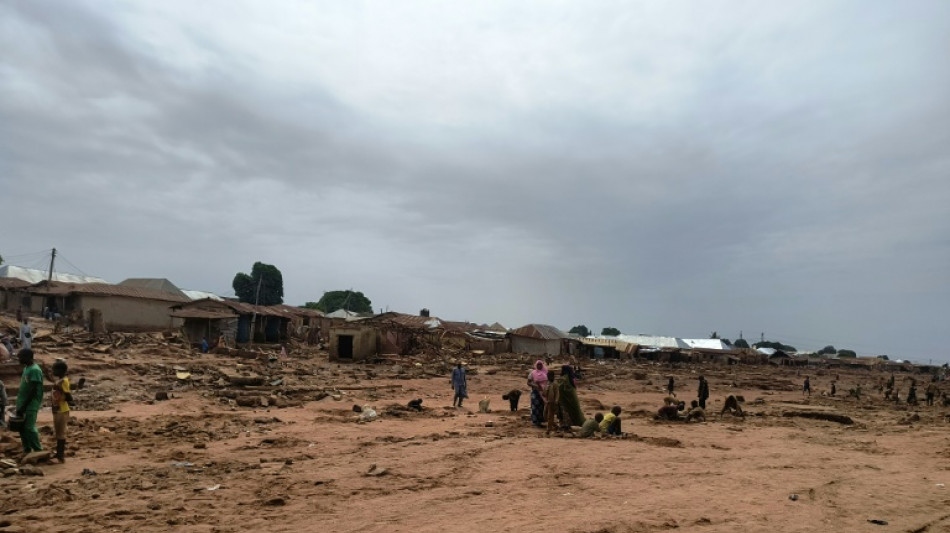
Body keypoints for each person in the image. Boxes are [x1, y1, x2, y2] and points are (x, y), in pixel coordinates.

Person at [15, 348, 44, 454]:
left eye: (20, 357)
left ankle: (38, 450)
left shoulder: (35, 370)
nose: (19, 359)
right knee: (22, 428)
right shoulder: (27, 368)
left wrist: (23, 406)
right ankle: (27, 449)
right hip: (23, 403)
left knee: (30, 427)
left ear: (27, 357)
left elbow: (33, 390)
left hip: (30, 404)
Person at [51, 358, 72, 463]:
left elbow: (68, 395)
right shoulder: (59, 380)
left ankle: (60, 456)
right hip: (57, 409)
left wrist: (65, 399)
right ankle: (59, 453)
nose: (53, 371)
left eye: (54, 369)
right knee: (58, 432)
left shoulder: (64, 381)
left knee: (61, 433)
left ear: (61, 370)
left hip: (62, 409)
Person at [527, 360, 549, 427]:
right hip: (535, 392)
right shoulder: (532, 373)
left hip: (544, 392)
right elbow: (528, 382)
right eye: (538, 365)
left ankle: (541, 421)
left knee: (542, 406)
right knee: (535, 407)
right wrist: (535, 386)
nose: (539, 366)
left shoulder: (545, 372)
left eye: (540, 365)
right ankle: (535, 421)